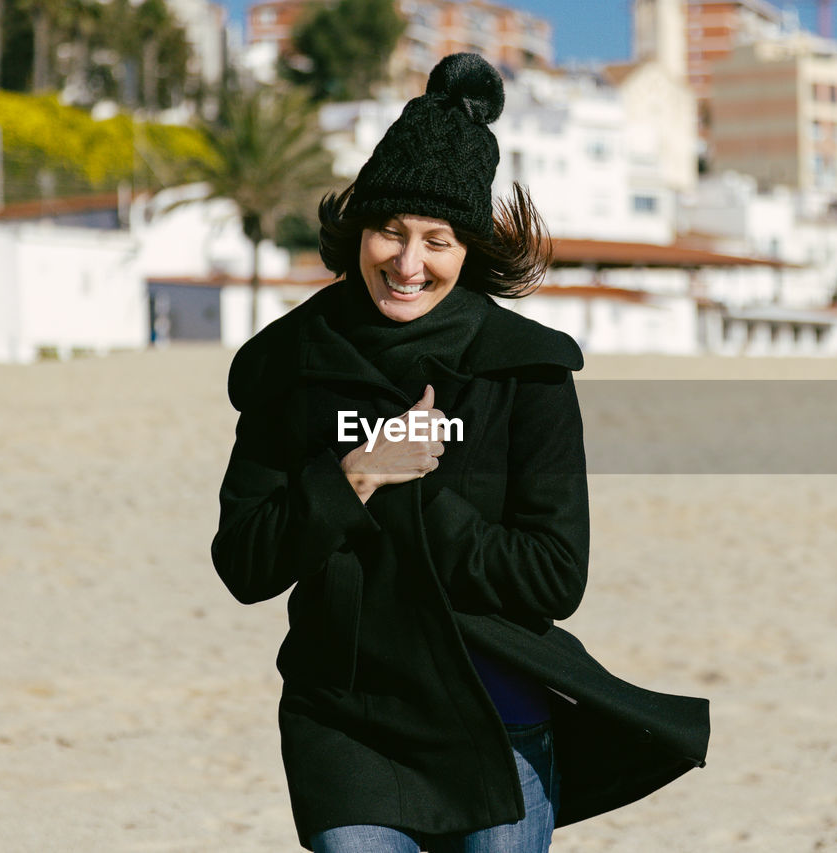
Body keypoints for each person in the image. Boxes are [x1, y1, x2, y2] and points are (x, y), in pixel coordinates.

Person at [211, 53, 709, 853]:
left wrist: (424, 501)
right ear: (358, 228)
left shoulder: (526, 370)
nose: (408, 264)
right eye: (390, 231)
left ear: (468, 250)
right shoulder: (291, 363)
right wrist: (359, 474)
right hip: (349, 718)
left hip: (495, 713)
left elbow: (554, 575)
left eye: (437, 240)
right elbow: (244, 563)